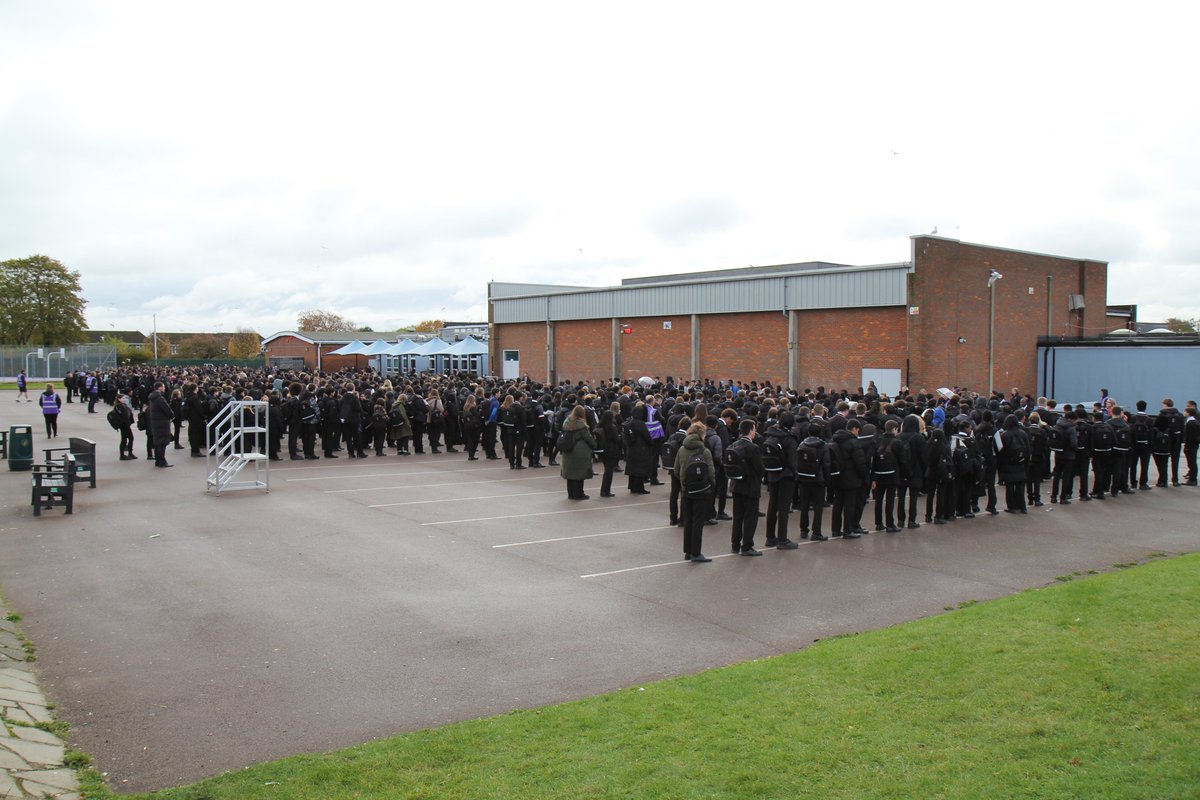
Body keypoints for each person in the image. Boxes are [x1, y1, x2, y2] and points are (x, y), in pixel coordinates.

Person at [675, 421, 715, 562]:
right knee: (698, 522)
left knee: (688, 520)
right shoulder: (704, 451)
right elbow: (711, 473)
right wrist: (711, 487)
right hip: (701, 490)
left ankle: (688, 551)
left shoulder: (681, 449)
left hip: (686, 489)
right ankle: (696, 552)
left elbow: (676, 470)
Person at [728, 418, 765, 556]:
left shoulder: (734, 444)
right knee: (750, 517)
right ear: (750, 431)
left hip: (737, 485)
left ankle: (735, 544)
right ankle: (747, 545)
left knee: (738, 516)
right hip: (751, 486)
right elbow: (760, 468)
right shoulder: (753, 448)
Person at [559, 405, 596, 500]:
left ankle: (571, 493)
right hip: (580, 452)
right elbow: (589, 439)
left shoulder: (567, 423)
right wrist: (595, 445)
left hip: (568, 450)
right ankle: (579, 494)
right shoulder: (581, 425)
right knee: (579, 474)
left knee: (570, 474)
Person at [997, 414, 1029, 513]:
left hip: (1008, 464)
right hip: (1021, 463)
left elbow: (1000, 452)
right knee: (1020, 487)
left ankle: (1011, 507)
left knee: (1009, 487)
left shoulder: (1004, 435)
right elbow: (1028, 450)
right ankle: (1022, 506)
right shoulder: (1023, 433)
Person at [147, 381, 175, 467]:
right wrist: (171, 415)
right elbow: (167, 410)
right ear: (159, 388)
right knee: (162, 443)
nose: (164, 388)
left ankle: (158, 460)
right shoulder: (160, 398)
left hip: (156, 422)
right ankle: (162, 461)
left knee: (158, 443)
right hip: (162, 422)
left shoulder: (153, 398)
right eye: (163, 386)